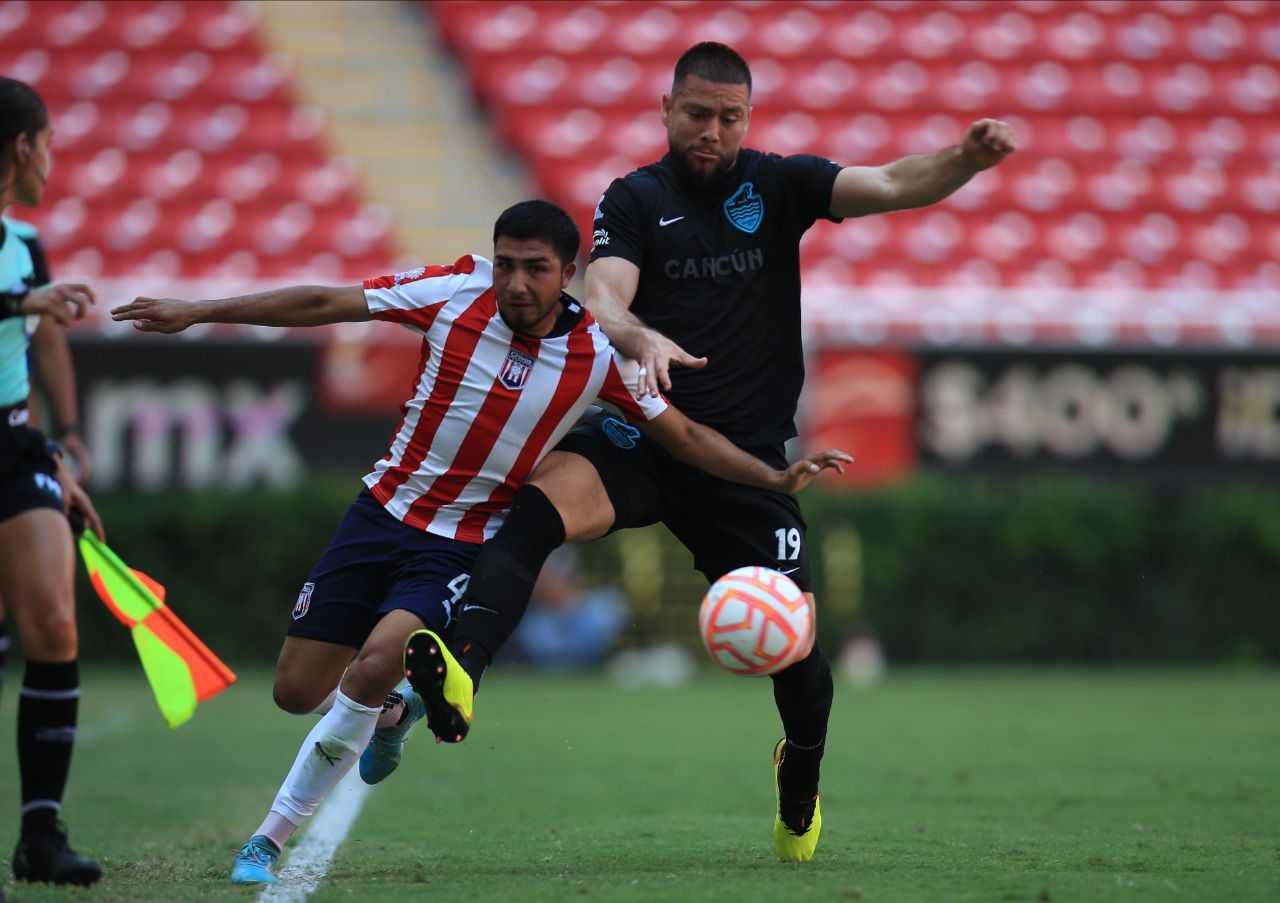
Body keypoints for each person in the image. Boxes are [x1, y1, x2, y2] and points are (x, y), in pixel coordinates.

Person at [110, 199, 849, 885]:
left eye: (535, 268)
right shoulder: (453, 291)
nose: (516, 283)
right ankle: (396, 714)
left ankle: (268, 837)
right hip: (380, 512)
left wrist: (773, 477)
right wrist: (198, 310)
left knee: (375, 663)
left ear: (570, 275)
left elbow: (682, 436)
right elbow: (325, 301)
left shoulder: (600, 352)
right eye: (506, 263)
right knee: (294, 689)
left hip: (460, 544)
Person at [405, 42, 1019, 863]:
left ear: (748, 120)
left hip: (743, 463)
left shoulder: (781, 184)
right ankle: (462, 672)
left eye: (729, 117)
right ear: (667, 110)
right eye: (697, 113)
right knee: (540, 503)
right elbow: (604, 293)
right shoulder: (635, 197)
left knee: (803, 666)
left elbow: (895, 182)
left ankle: (798, 775)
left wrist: (965, 160)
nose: (711, 131)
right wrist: (635, 334)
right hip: (644, 434)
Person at [1, 76, 105, 887]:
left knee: (55, 628)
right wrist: (20, 300)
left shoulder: (24, 241)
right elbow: (23, 311)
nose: (53, 160)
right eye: (50, 143)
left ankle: (41, 836)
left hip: (13, 442)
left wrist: (65, 444)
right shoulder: (22, 272)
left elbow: (45, 341)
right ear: (22, 147)